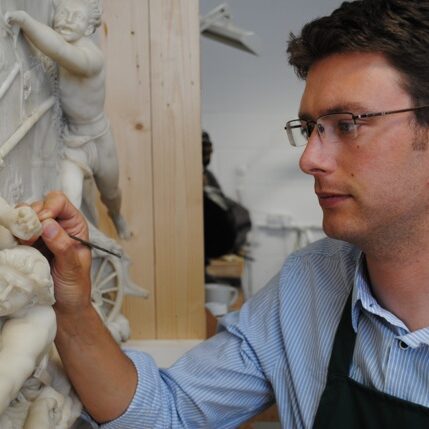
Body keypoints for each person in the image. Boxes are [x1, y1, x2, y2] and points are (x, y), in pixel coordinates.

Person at [28, 0, 429, 427]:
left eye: (347, 124)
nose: (309, 159)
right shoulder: (309, 285)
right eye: (310, 129)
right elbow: (170, 413)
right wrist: (72, 305)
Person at [5, 0, 131, 239]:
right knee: (68, 202)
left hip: (99, 138)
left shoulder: (91, 58)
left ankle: (117, 217)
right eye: (62, 14)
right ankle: (69, 244)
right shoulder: (55, 46)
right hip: (73, 144)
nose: (67, 20)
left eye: (76, 17)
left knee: (110, 192)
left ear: (88, 28)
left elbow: (60, 51)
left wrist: (25, 21)